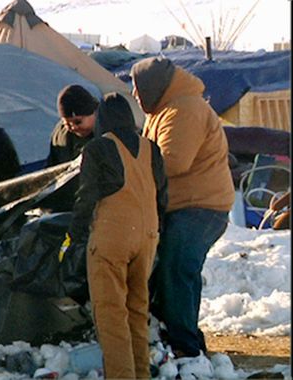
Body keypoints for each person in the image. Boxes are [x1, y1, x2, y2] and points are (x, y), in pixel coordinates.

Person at [131, 57, 235, 358]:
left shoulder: (184, 109)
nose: (135, 95)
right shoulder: (167, 107)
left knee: (176, 270)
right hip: (187, 205)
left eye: (138, 88)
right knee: (178, 273)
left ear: (153, 86)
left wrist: (130, 169)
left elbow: (172, 161)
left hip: (200, 206)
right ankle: (185, 339)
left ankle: (185, 348)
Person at [66, 92, 167, 379]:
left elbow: (86, 199)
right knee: (137, 310)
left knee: (111, 314)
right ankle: (141, 374)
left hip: (112, 240)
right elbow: (163, 197)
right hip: (147, 238)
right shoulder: (152, 148)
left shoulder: (98, 149)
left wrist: (72, 238)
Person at [41, 84, 99, 212]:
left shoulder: (109, 134)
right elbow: (52, 170)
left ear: (93, 113)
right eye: (67, 124)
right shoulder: (60, 135)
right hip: (69, 206)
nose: (73, 127)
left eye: (78, 122)